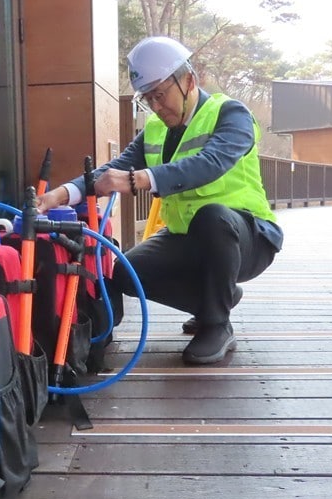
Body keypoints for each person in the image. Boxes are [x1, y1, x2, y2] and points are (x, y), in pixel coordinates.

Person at [37, 36, 283, 365]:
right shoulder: (155, 129)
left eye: (160, 94)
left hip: (248, 237)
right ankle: (214, 301)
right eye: (148, 98)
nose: (156, 106)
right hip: (186, 237)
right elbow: (114, 169)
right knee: (125, 273)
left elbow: (211, 163)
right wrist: (57, 195)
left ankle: (216, 325)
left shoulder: (231, 114)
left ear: (189, 81)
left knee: (213, 216)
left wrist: (138, 180)